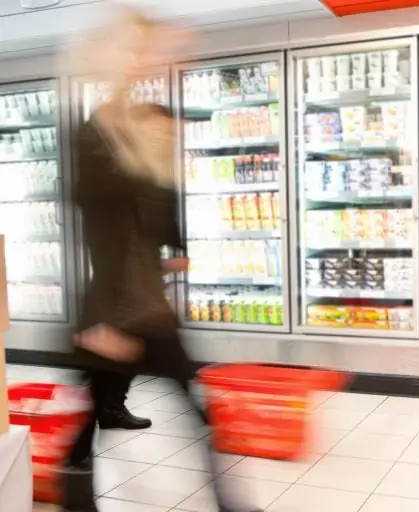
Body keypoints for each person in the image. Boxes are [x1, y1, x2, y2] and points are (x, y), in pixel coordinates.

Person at [60, 10, 260, 512]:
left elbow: (154, 224)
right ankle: (74, 494)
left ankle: (226, 501)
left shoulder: (145, 167)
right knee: (97, 415)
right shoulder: (98, 152)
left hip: (146, 308)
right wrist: (103, 318)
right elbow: (102, 233)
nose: (169, 137)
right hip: (113, 312)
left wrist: (172, 256)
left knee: (188, 405)